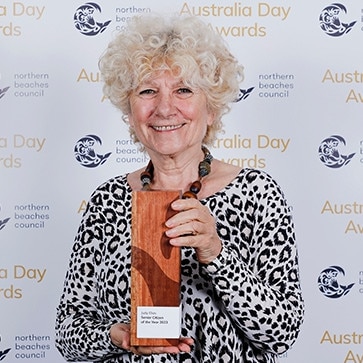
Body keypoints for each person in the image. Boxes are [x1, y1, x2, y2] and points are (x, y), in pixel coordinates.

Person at [55, 13, 304, 363]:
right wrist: (114, 336)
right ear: (130, 110)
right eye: (147, 91)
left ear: (211, 109)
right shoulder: (107, 201)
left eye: (184, 89)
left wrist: (216, 252)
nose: (165, 108)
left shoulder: (257, 194)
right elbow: (68, 332)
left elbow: (281, 332)